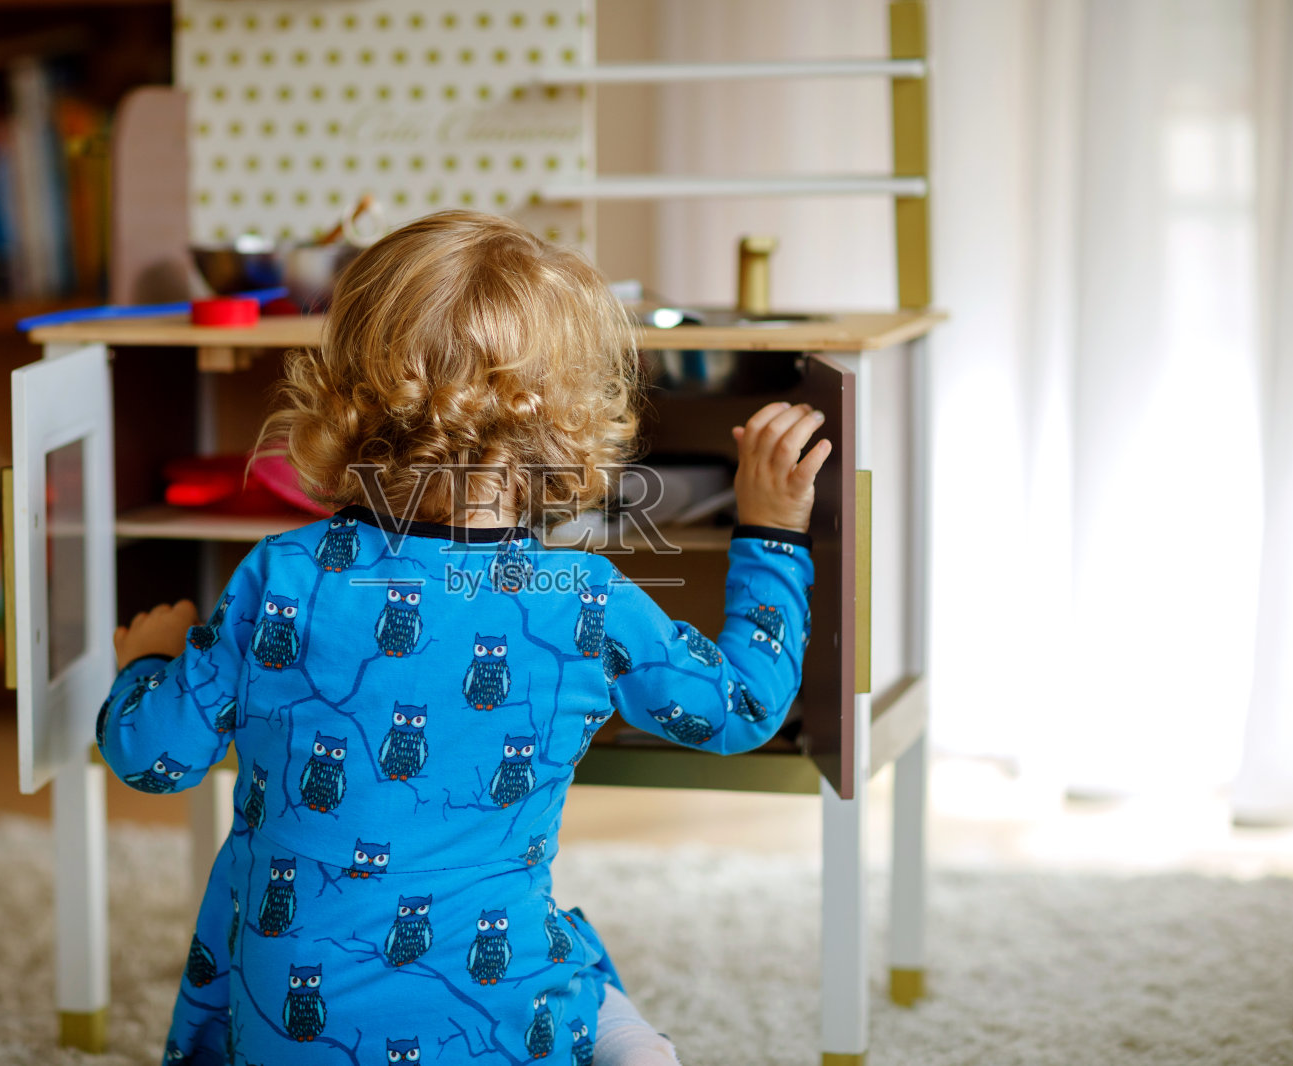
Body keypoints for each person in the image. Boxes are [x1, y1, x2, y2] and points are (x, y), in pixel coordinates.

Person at [98, 210, 830, 1066]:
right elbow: (742, 706)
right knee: (574, 963)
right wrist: (772, 535)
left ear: (340, 391)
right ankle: (634, 1048)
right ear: (572, 419)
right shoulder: (584, 598)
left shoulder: (282, 575)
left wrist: (152, 658)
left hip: (282, 1033)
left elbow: (152, 757)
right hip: (500, 1030)